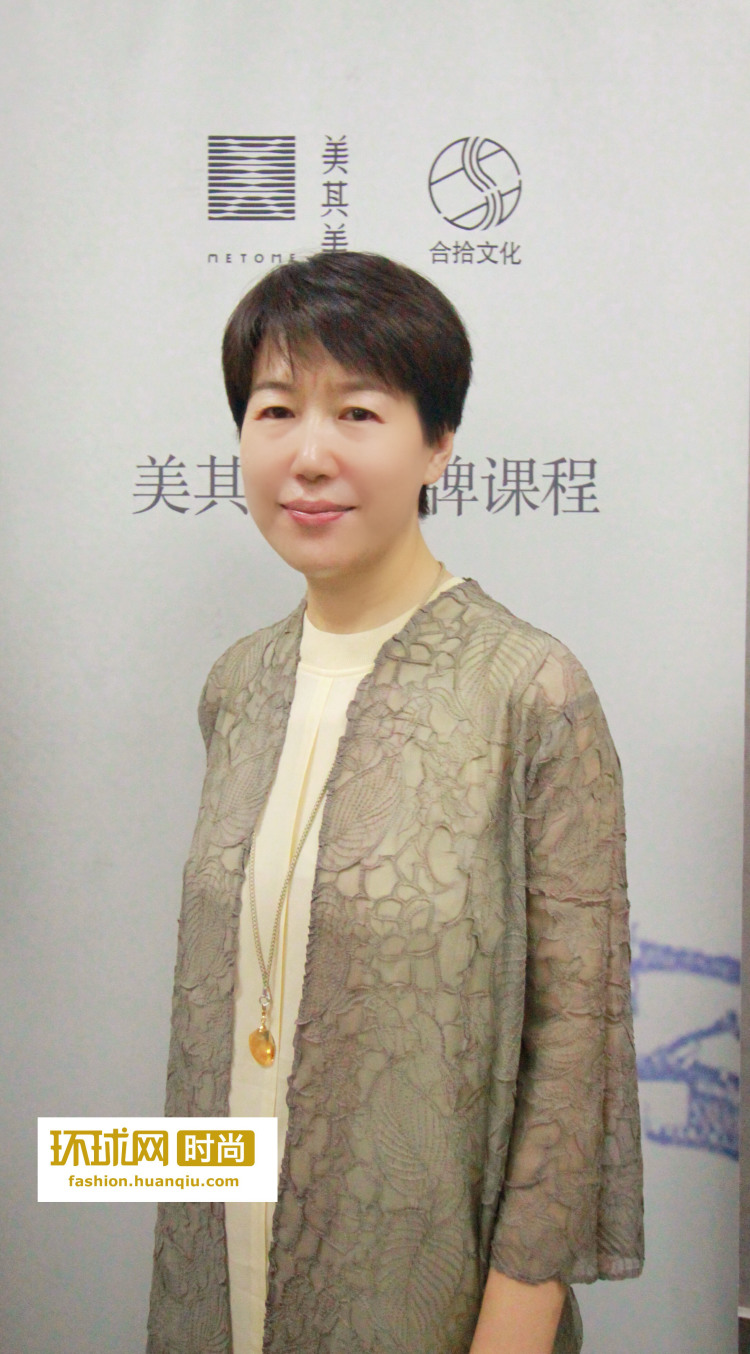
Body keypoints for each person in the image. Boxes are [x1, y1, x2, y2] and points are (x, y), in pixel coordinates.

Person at [147, 252, 644, 1354]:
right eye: (276, 409)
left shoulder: (531, 691)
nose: (309, 453)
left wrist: (517, 1319)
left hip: (426, 1290)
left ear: (437, 443)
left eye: (359, 412)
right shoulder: (238, 685)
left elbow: (578, 1044)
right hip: (216, 1258)